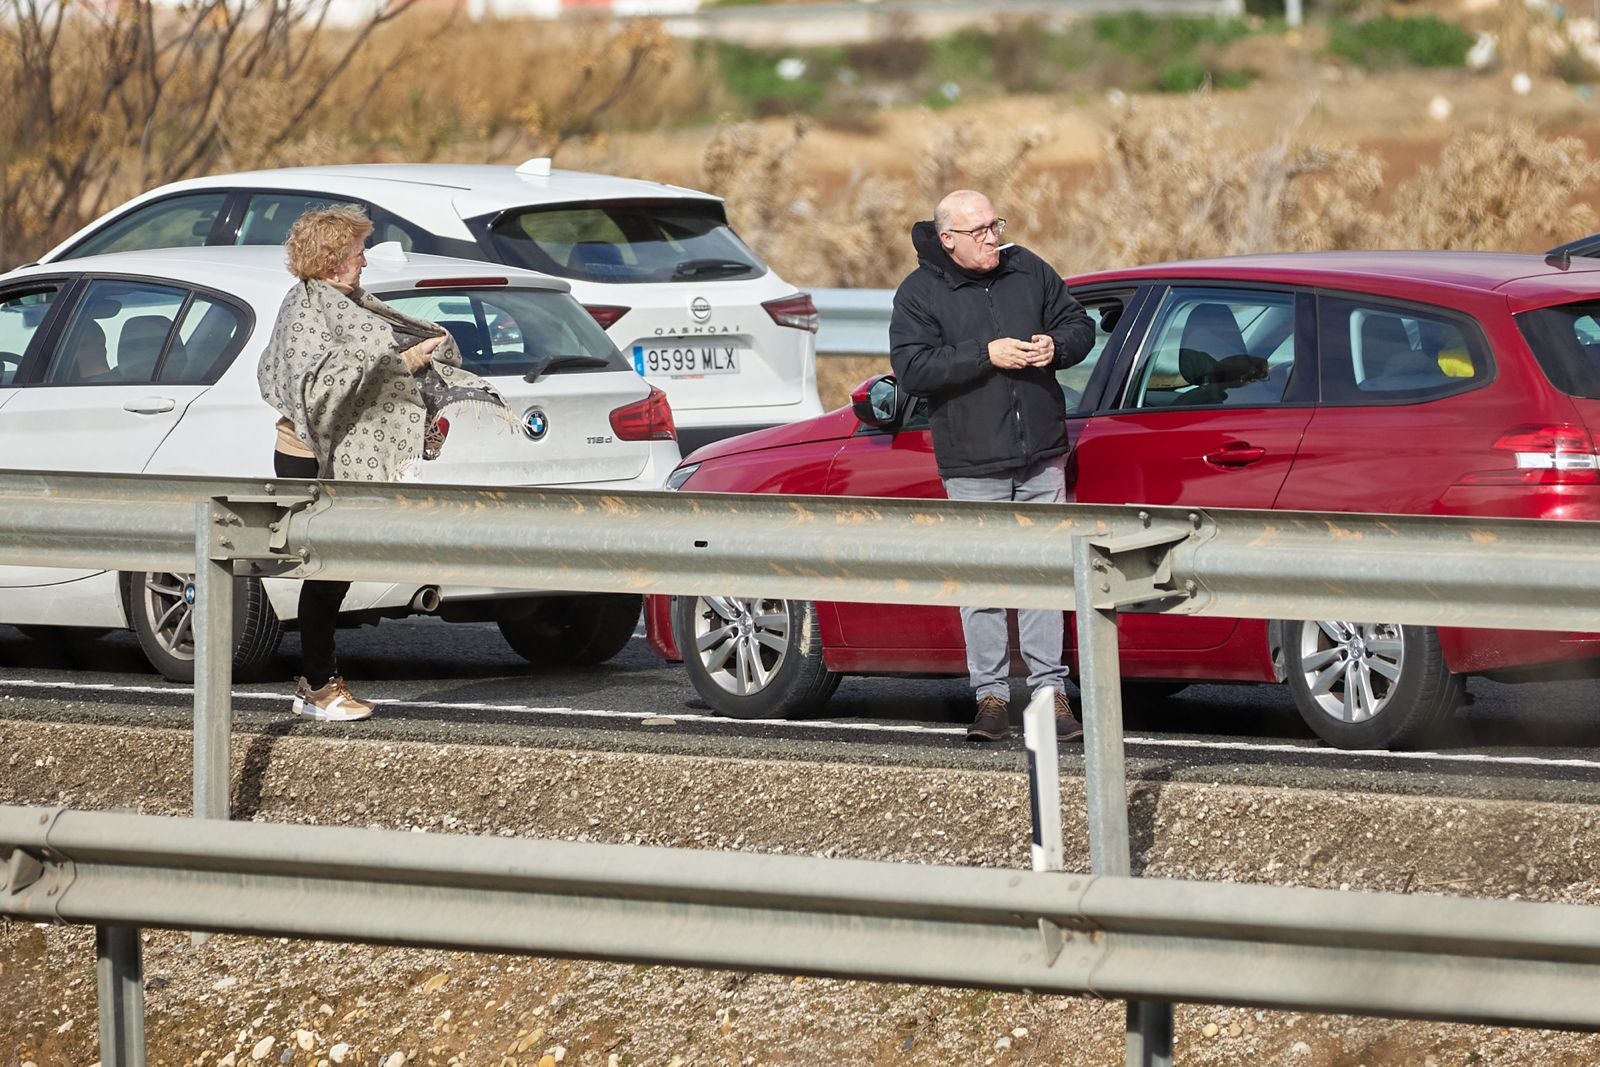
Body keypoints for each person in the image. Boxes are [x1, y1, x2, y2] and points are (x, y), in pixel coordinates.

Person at [889, 190, 1096, 743]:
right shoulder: (918, 293)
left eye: (995, 225)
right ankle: (990, 697)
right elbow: (912, 369)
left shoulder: (1028, 268)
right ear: (947, 238)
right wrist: (987, 354)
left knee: (1044, 577)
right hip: (972, 460)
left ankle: (1051, 695)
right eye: (979, 230)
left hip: (1042, 453)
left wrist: (1056, 346)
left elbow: (1080, 325)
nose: (992, 237)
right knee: (982, 581)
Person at [256, 205, 466, 721]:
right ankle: (318, 686)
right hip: (309, 458)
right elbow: (321, 390)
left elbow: (364, 366)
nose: (364, 261)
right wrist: (407, 360)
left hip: (342, 460)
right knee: (328, 570)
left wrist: (416, 356)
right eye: (356, 253)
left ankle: (319, 681)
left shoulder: (347, 303)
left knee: (337, 569)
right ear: (330, 262)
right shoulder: (306, 309)